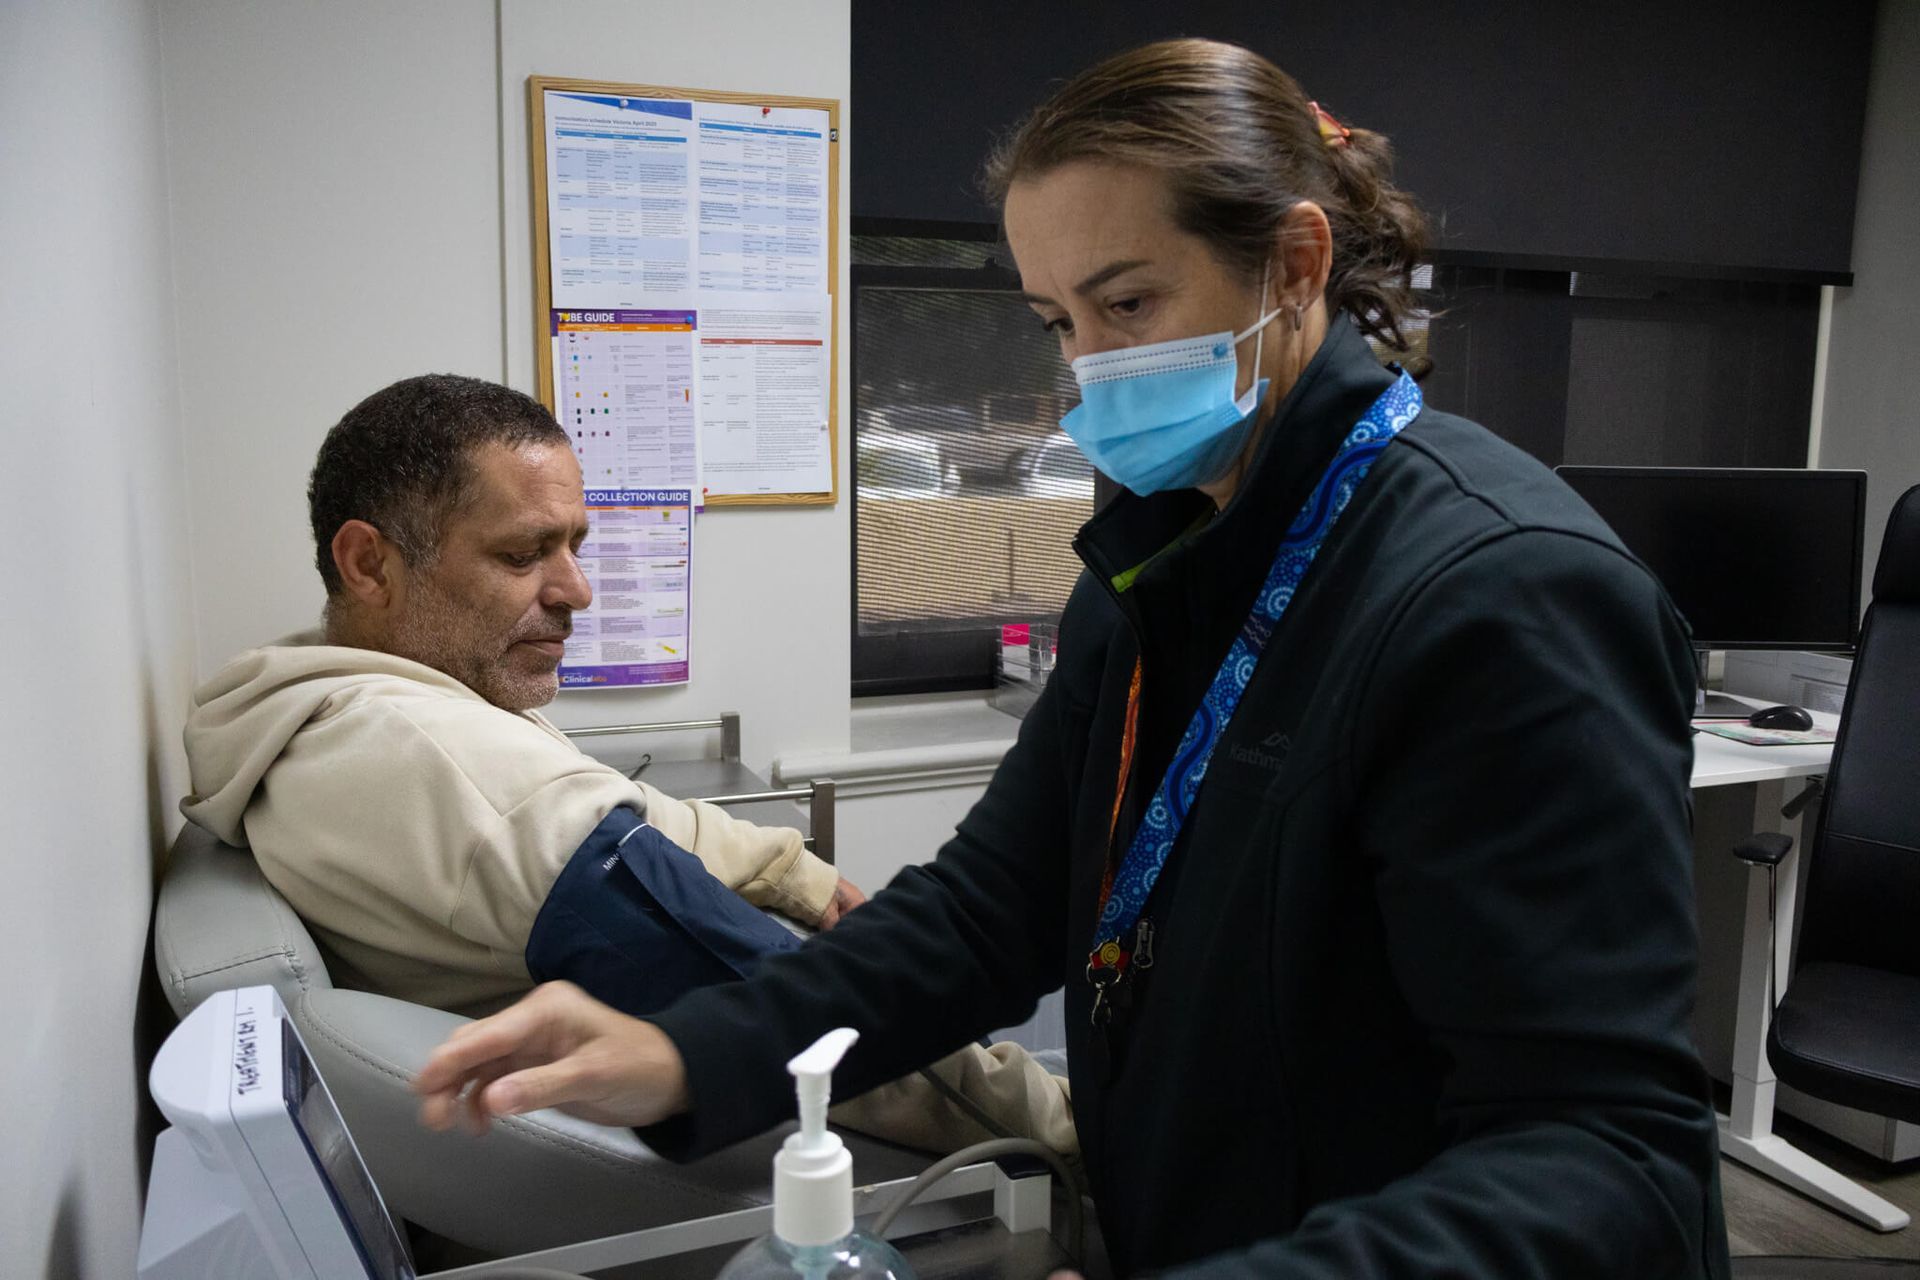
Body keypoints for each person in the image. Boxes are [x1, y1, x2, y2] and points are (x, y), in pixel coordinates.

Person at [416, 39, 1730, 1278]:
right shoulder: (1159, 557)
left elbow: (1606, 1161)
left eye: (1129, 302)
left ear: (1295, 262)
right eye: (1058, 322)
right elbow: (996, 904)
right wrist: (686, 1053)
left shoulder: (1501, 599)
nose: (1092, 370)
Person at [177, 372, 1076, 1156]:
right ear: (368, 562)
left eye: (575, 544)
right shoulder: (461, 774)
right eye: (523, 554)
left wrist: (783, 866)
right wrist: (1062, 1139)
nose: (575, 590)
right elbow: (793, 1022)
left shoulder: (336, 701)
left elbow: (615, 807)